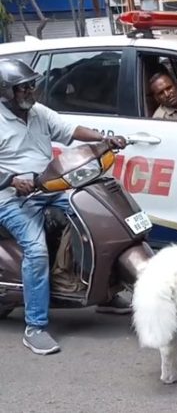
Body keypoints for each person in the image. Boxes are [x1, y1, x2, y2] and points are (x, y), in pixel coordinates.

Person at [0, 58, 129, 355]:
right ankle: (35, 326)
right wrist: (10, 179)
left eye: (32, 84)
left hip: (48, 187)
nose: (31, 90)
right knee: (36, 250)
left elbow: (71, 130)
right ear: (6, 91)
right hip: (12, 199)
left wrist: (105, 139)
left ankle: (104, 293)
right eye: (23, 87)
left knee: (93, 218)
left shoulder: (38, 112)